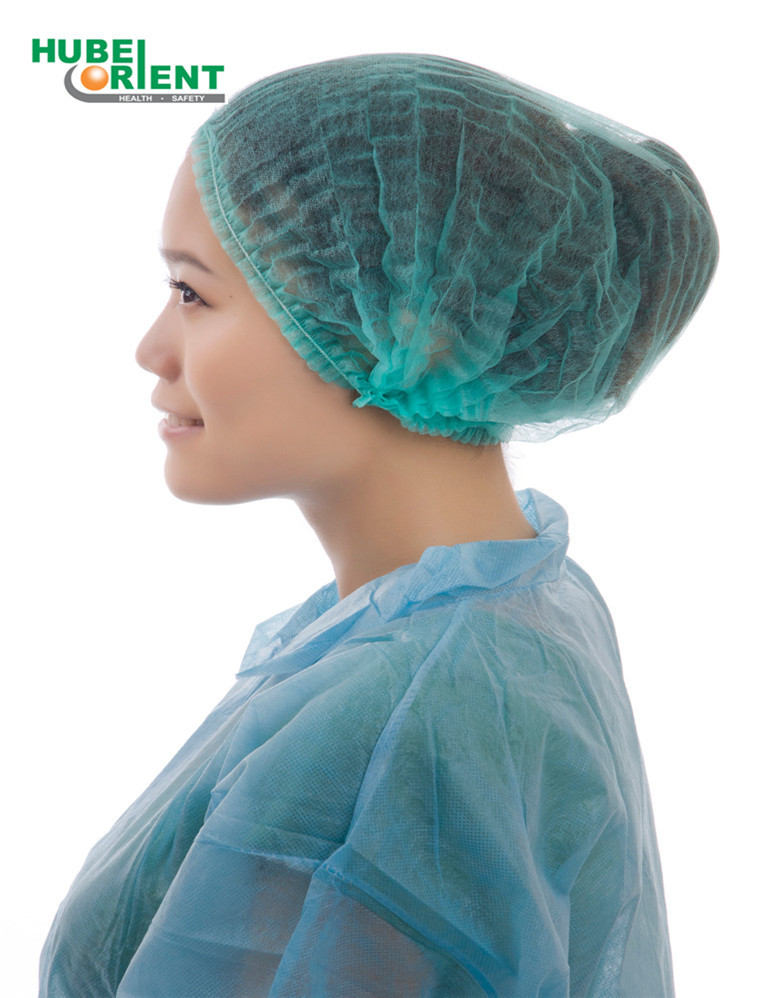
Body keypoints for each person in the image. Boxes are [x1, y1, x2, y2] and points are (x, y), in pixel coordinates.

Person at [39, 54, 718, 997]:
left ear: (415, 322)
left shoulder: (394, 725)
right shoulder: (526, 599)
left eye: (193, 294)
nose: (151, 348)